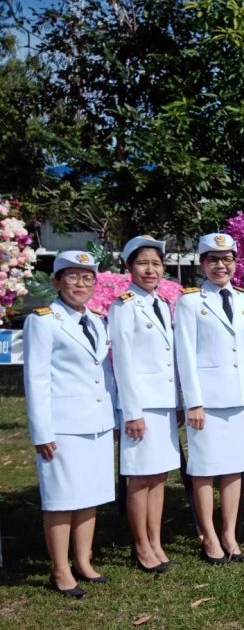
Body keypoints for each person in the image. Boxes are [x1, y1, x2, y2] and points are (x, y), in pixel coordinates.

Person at [23, 251, 117, 597]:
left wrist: (113, 416)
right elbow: (36, 379)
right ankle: (60, 569)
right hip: (63, 425)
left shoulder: (97, 320)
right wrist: (41, 430)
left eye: (87, 277)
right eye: (73, 277)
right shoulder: (44, 321)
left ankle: (83, 560)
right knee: (61, 497)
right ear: (57, 282)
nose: (81, 284)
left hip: (96, 422)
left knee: (90, 494)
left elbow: (104, 374)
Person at [174, 233, 244, 564]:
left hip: (239, 396)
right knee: (203, 468)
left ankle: (229, 533)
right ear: (202, 264)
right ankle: (209, 535)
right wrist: (193, 401)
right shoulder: (189, 302)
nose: (220, 266)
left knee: (234, 467)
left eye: (227, 259)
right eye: (213, 259)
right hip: (207, 401)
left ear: (235, 263)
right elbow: (184, 355)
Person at [108, 235, 181, 573]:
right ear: (129, 267)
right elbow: (123, 362)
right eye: (142, 263)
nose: (150, 270)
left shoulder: (161, 304)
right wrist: (132, 412)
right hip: (141, 407)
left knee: (159, 476)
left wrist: (177, 402)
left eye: (156, 263)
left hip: (163, 403)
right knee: (140, 478)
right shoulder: (124, 306)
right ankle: (140, 545)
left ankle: (155, 540)